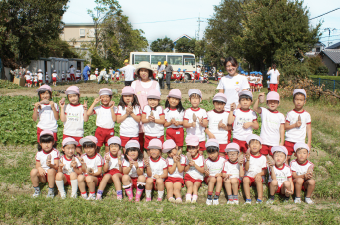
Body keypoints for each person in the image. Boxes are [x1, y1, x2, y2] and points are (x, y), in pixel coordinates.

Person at [131, 61, 160, 149]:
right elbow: (131, 98)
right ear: (139, 72)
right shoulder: (135, 83)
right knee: (138, 134)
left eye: (146, 71)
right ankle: (139, 153)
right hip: (138, 113)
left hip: (151, 114)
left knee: (150, 134)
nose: (143, 73)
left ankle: (149, 154)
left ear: (149, 72)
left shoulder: (155, 83)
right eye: (141, 71)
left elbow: (158, 98)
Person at [253, 92, 285, 156]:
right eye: (270, 101)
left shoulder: (281, 115)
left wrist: (281, 142)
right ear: (267, 103)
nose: (272, 103)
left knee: (274, 159)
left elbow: (282, 129)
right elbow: (255, 108)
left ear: (278, 103)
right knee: (263, 157)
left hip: (275, 142)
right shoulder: (264, 111)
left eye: (275, 101)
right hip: (264, 141)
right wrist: (258, 99)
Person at [59, 86, 89, 155]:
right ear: (68, 98)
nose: (73, 98)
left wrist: (85, 110)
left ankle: (80, 164)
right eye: (70, 97)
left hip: (78, 133)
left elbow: (86, 119)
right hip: (67, 132)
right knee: (66, 151)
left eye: (74, 96)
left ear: (79, 95)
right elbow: (62, 119)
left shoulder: (82, 107)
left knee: (78, 151)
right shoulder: (66, 107)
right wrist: (62, 108)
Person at [30, 130, 60, 198]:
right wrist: (39, 168)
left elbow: (56, 166)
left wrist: (50, 165)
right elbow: (37, 165)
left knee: (50, 170)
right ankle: (36, 190)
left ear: (53, 142)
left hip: (53, 175)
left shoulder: (55, 152)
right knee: (33, 171)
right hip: (43, 175)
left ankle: (51, 190)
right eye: (44, 142)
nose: (46, 145)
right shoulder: (39, 153)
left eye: (49, 142)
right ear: (40, 143)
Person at [284, 89, 311, 163]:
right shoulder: (290, 113)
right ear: (293, 101)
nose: (299, 102)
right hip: (289, 140)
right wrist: (295, 125)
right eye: (296, 99)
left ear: (304, 102)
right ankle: (287, 173)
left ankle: (296, 172)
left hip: (300, 141)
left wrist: (308, 143)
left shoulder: (307, 115)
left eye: (301, 100)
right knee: (287, 158)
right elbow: (285, 127)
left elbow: (309, 130)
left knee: (300, 159)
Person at [87, 88, 117, 153]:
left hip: (110, 130)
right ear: (100, 98)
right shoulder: (98, 108)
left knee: (108, 147)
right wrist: (94, 103)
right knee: (97, 147)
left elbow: (114, 119)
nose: (105, 99)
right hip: (100, 130)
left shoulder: (115, 108)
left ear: (111, 97)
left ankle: (106, 161)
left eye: (107, 97)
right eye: (103, 97)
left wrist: (111, 108)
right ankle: (97, 159)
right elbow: (88, 113)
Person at [243, 134, 267, 204]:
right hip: (249, 176)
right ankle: (248, 199)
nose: (254, 145)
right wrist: (247, 160)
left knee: (258, 179)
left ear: (261, 146)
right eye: (252, 144)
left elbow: (265, 170)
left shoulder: (263, 158)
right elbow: (246, 169)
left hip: (258, 177)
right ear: (248, 146)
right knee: (245, 179)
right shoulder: (247, 156)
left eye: (257, 144)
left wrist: (259, 174)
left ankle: (259, 199)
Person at [77, 136, 104, 200]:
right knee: (80, 177)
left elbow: (99, 172)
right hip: (86, 175)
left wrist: (92, 174)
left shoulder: (98, 157)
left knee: (89, 178)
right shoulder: (83, 156)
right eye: (86, 148)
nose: (88, 150)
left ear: (95, 147)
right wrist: (82, 163)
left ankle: (92, 194)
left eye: (90, 148)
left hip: (96, 177)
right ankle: (83, 194)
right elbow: (83, 170)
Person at [205, 93, 231, 158]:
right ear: (213, 103)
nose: (219, 107)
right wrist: (209, 134)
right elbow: (204, 126)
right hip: (212, 139)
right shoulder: (209, 114)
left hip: (222, 140)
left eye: (221, 104)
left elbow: (230, 127)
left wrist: (224, 127)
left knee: (221, 156)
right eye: (217, 104)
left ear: (224, 104)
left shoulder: (227, 114)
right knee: (212, 156)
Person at [183, 89, 208, 155]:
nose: (194, 100)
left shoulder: (203, 111)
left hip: (200, 137)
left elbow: (206, 124)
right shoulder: (187, 111)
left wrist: (202, 122)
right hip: (190, 137)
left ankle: (200, 164)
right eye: (193, 98)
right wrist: (190, 124)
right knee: (191, 154)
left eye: (197, 98)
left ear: (200, 99)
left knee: (200, 154)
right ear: (189, 99)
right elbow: (184, 124)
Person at [116, 86, 141, 152]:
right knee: (125, 152)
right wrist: (126, 114)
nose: (127, 98)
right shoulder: (120, 107)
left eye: (130, 96)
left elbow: (138, 119)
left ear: (133, 96)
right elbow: (118, 120)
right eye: (125, 96)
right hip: (124, 133)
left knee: (134, 151)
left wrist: (131, 113)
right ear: (122, 97)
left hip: (134, 133)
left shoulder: (137, 107)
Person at [204, 139, 225, 206]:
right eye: (210, 153)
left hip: (218, 177)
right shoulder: (206, 161)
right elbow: (205, 173)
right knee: (212, 179)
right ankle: (209, 196)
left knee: (219, 178)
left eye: (214, 153)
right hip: (210, 178)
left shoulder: (222, 160)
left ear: (218, 151)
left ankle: (216, 196)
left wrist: (221, 174)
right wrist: (206, 174)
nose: (212, 155)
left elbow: (225, 170)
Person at [184, 135, 204, 203]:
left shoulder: (201, 157)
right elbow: (185, 170)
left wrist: (195, 165)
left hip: (198, 176)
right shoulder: (187, 157)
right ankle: (188, 198)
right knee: (190, 186)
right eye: (189, 148)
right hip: (189, 175)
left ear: (198, 148)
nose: (191, 150)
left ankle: (194, 198)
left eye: (193, 148)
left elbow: (202, 170)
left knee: (195, 186)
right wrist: (189, 165)